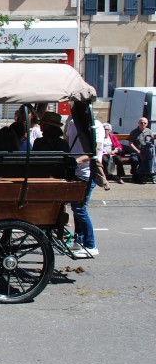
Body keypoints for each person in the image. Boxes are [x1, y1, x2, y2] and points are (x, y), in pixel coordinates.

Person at [65, 101, 104, 256]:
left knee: (80, 208)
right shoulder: (72, 123)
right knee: (76, 208)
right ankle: (79, 240)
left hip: (88, 173)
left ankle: (91, 244)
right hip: (75, 172)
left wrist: (77, 160)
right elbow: (67, 143)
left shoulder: (96, 126)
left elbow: (95, 150)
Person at [127, 117, 154, 182]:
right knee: (134, 160)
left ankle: (145, 175)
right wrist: (138, 151)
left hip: (146, 152)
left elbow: (152, 143)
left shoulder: (149, 131)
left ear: (147, 124)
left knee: (150, 159)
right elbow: (131, 144)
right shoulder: (134, 132)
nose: (143, 124)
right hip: (136, 151)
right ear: (138, 123)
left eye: (145, 123)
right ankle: (134, 174)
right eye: (141, 123)